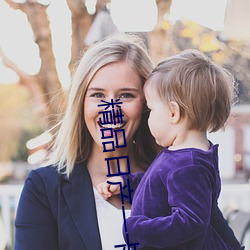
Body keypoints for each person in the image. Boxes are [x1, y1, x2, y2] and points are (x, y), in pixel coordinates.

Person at [14, 35, 243, 250]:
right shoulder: (44, 187)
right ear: (81, 103)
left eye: (126, 95)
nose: (111, 109)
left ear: (148, 104)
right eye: (98, 95)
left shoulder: (179, 172)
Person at [97, 49, 244, 249]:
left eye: (151, 109)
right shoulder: (182, 157)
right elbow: (159, 190)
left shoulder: (188, 166)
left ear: (173, 113)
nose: (148, 117)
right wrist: (127, 184)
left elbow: (190, 222)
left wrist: (138, 229)